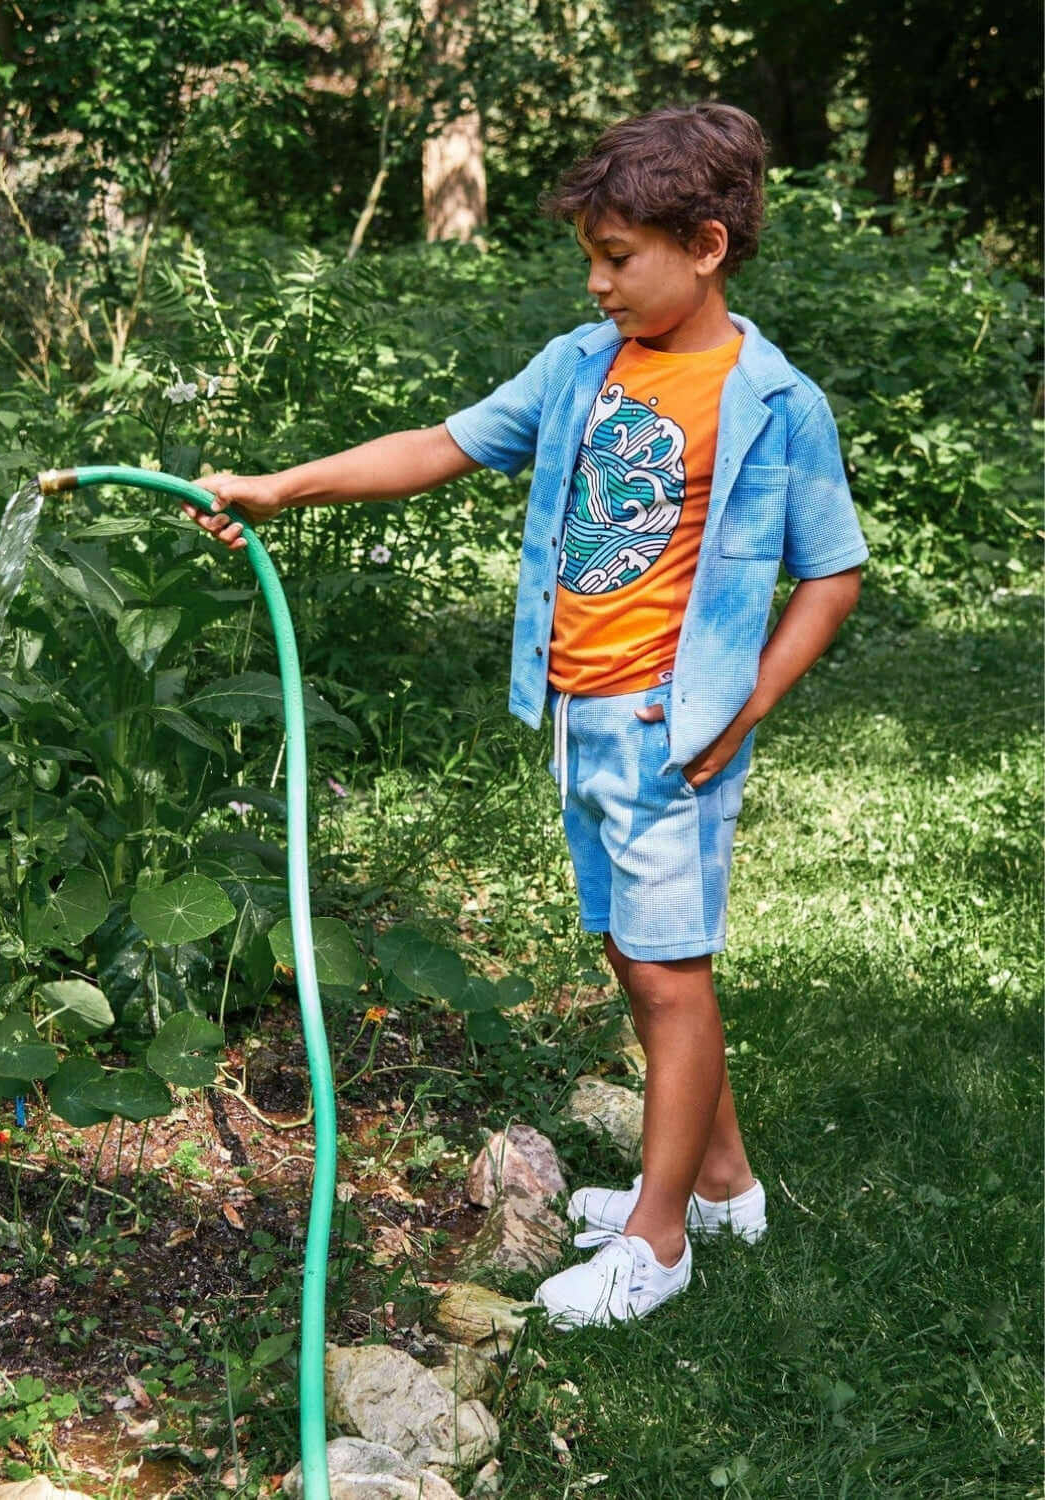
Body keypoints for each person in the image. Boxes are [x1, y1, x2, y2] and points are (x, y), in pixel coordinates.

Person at [182, 103, 867, 1330]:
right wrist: (282, 486)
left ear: (705, 246)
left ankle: (657, 1247)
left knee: (670, 977)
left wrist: (745, 706)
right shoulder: (579, 368)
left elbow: (834, 571)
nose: (598, 283)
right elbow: (439, 446)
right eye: (592, 260)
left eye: (619, 258)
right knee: (638, 958)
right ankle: (718, 1183)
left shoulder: (773, 401)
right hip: (582, 715)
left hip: (676, 728)